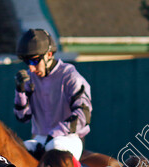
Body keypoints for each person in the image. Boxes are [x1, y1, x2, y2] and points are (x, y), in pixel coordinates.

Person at [13, 29, 92, 160]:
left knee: (54, 147)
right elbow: (23, 117)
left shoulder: (70, 76)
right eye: (27, 62)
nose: (31, 68)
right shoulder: (30, 78)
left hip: (68, 138)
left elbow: (84, 114)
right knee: (17, 151)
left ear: (49, 54)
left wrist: (55, 133)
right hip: (40, 138)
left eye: (34, 61)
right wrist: (20, 91)